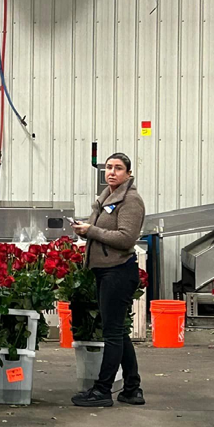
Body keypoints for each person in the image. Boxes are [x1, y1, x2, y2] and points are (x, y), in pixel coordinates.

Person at [70, 152, 146, 408]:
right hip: (106, 271)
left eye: (118, 168)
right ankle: (132, 389)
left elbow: (126, 238)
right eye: (109, 168)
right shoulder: (107, 199)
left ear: (129, 174)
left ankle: (103, 390)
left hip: (118, 271)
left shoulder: (130, 201)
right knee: (119, 331)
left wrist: (90, 231)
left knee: (112, 334)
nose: (112, 172)